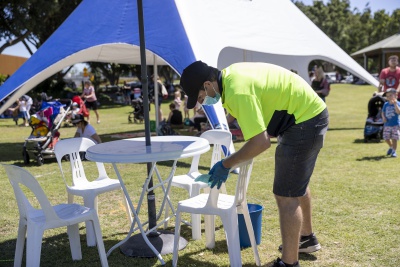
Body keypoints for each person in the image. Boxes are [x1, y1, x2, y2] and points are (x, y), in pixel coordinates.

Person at [180, 61, 328, 267]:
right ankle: (306, 239)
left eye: (200, 97)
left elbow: (261, 142)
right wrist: (229, 123)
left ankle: (289, 263)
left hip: (304, 120)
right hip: (306, 114)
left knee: (286, 194)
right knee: (295, 182)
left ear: (207, 85)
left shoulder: (237, 91)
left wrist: (226, 164)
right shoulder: (229, 78)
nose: (201, 102)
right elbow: (243, 105)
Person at [381, 88, 400, 157]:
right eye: (387, 96)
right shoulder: (386, 104)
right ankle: (391, 147)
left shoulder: (398, 103)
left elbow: (398, 112)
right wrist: (383, 117)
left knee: (394, 138)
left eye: (390, 95)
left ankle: (394, 151)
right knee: (386, 138)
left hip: (395, 124)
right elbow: (383, 112)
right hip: (387, 124)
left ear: (396, 95)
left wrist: (395, 104)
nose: (388, 97)